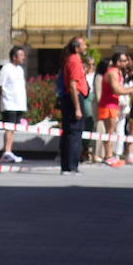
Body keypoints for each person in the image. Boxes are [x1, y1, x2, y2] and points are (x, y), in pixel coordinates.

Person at [57, 36, 88, 175]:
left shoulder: (69, 60)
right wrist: (77, 107)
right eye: (83, 45)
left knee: (68, 133)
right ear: (77, 48)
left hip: (68, 98)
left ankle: (66, 166)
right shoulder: (75, 60)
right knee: (74, 133)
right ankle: (72, 166)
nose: (85, 47)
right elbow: (73, 85)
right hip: (74, 98)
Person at [96, 51, 133, 165]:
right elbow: (116, 90)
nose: (126, 62)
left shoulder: (117, 72)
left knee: (112, 131)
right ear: (117, 62)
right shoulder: (112, 73)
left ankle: (109, 154)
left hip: (112, 104)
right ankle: (108, 155)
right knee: (110, 131)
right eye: (123, 60)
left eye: (126, 60)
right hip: (108, 105)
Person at [0, 45, 27, 163]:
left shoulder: (20, 70)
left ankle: (9, 150)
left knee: (13, 128)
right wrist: (2, 98)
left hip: (19, 104)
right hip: (9, 104)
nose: (23, 57)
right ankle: (7, 152)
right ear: (14, 57)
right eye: (21, 55)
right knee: (9, 128)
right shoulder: (6, 69)